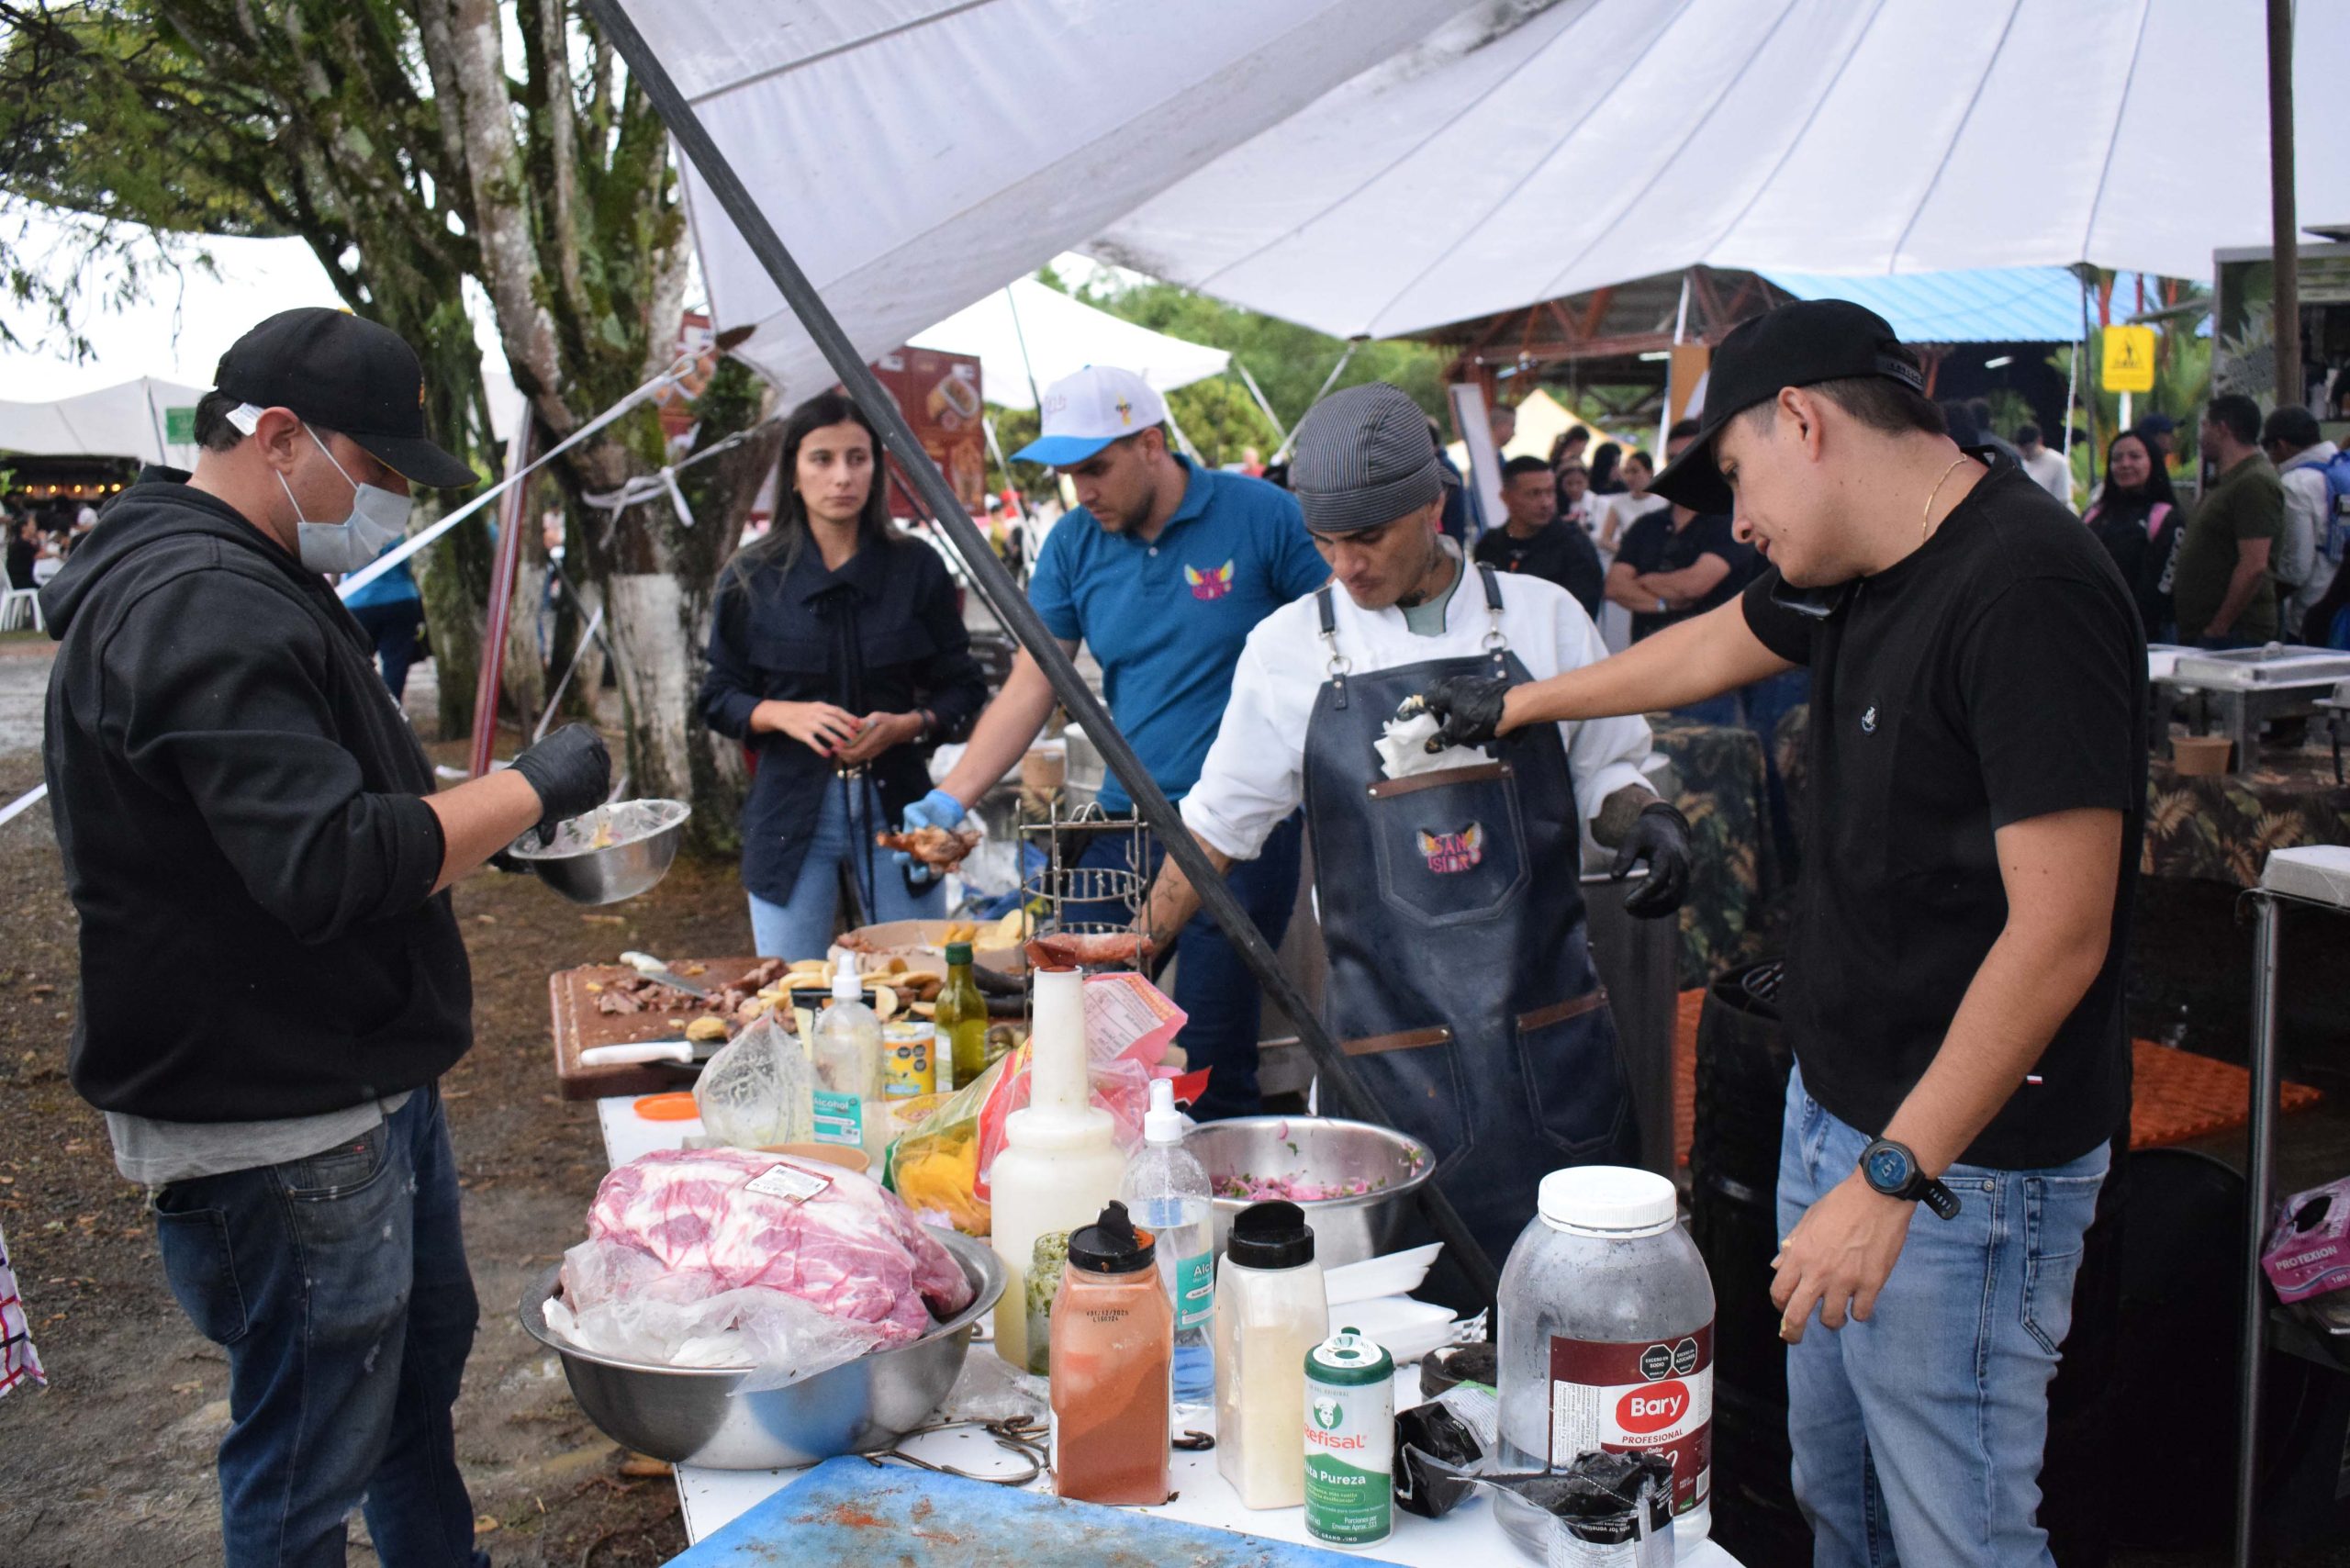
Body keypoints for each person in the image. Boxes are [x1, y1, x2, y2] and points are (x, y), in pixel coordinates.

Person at [1417, 299, 2141, 1568]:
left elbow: (2061, 934)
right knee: (1838, 1497)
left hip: (1963, 1167)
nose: (1739, 523)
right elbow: (1711, 644)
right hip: (1839, 1110)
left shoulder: (2027, 590)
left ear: (1802, 420)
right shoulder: (1856, 566)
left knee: (1957, 1530)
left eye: (1739, 478)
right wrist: (1523, 703)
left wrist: (1893, 1177)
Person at [41, 307, 613, 1566]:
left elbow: (329, 799)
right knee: (308, 1447)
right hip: (273, 1116)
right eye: (380, 469)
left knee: (408, 1388)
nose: (394, 501)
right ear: (281, 437)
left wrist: (472, 822)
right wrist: (531, 789)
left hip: (355, 1075)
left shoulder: (256, 575)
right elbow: (327, 861)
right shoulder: (195, 602)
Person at [1139, 381, 1688, 1265]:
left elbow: (1607, 772)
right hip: (1382, 1057)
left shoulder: (1543, 616)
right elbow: (1216, 829)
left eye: (1367, 538)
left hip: (1549, 1045)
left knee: (1577, 1291)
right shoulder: (1287, 650)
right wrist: (1130, 958)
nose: (1346, 567)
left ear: (1432, 505)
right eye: (1324, 542)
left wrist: (1647, 817)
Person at [901, 365, 1328, 1119]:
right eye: (1069, 475)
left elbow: (1337, 643)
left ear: (1151, 445)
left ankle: (1214, 1177)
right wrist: (950, 797)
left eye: (1096, 468)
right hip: (1124, 821)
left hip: (1241, 827)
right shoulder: (1072, 544)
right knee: (1079, 1028)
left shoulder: (1262, 515)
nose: (1082, 491)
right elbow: (1034, 681)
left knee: (1209, 1051)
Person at [699, 390, 990, 960]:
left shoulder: (917, 568)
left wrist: (908, 724)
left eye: (858, 458)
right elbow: (717, 697)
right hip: (788, 814)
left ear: (877, 469)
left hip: (902, 809)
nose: (842, 477)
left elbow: (964, 688)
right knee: (792, 984)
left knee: (918, 976)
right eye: (822, 459)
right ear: (793, 473)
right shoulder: (751, 575)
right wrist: (781, 714)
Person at [2171, 394, 2284, 647]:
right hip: (2207, 631)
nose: (2201, 436)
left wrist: (2219, 627)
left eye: (2205, 426)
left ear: (2222, 428)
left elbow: (2254, 564)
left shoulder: (2254, 481)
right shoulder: (2228, 481)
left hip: (2234, 635)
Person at [1473, 454, 1605, 616]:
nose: (1546, 503)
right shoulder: (1490, 546)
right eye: (1534, 494)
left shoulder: (1574, 546)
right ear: (1506, 497)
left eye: (1550, 492)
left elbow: (1582, 611)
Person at [2081, 431, 2182, 640]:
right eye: (2117, 459)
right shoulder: (2094, 515)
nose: (2125, 464)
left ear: (2152, 462)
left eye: (2135, 457)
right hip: (2093, 631)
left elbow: (2162, 586)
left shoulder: (2165, 517)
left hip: (2147, 636)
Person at [2264, 406, 2341, 641]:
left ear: (2281, 445)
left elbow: (2296, 569)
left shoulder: (2296, 484)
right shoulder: (2342, 471)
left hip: (2312, 612)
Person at [342, 537, 429, 700]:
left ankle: (362, 707)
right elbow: (411, 564)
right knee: (395, 665)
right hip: (400, 600)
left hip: (357, 601)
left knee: (356, 663)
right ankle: (391, 707)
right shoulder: (394, 530)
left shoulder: (349, 529)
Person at [1595, 448, 1666, 552]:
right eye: (1626, 472)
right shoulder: (1618, 503)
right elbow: (1605, 539)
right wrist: (1625, 552)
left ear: (1650, 472)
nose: (1629, 477)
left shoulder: (1664, 503)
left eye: (1635, 471)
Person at [2014, 422, 2072, 507]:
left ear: (2039, 441)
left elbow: (2063, 500)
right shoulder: (2018, 462)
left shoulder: (2058, 463)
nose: (2024, 454)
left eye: (2028, 450)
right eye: (2021, 450)